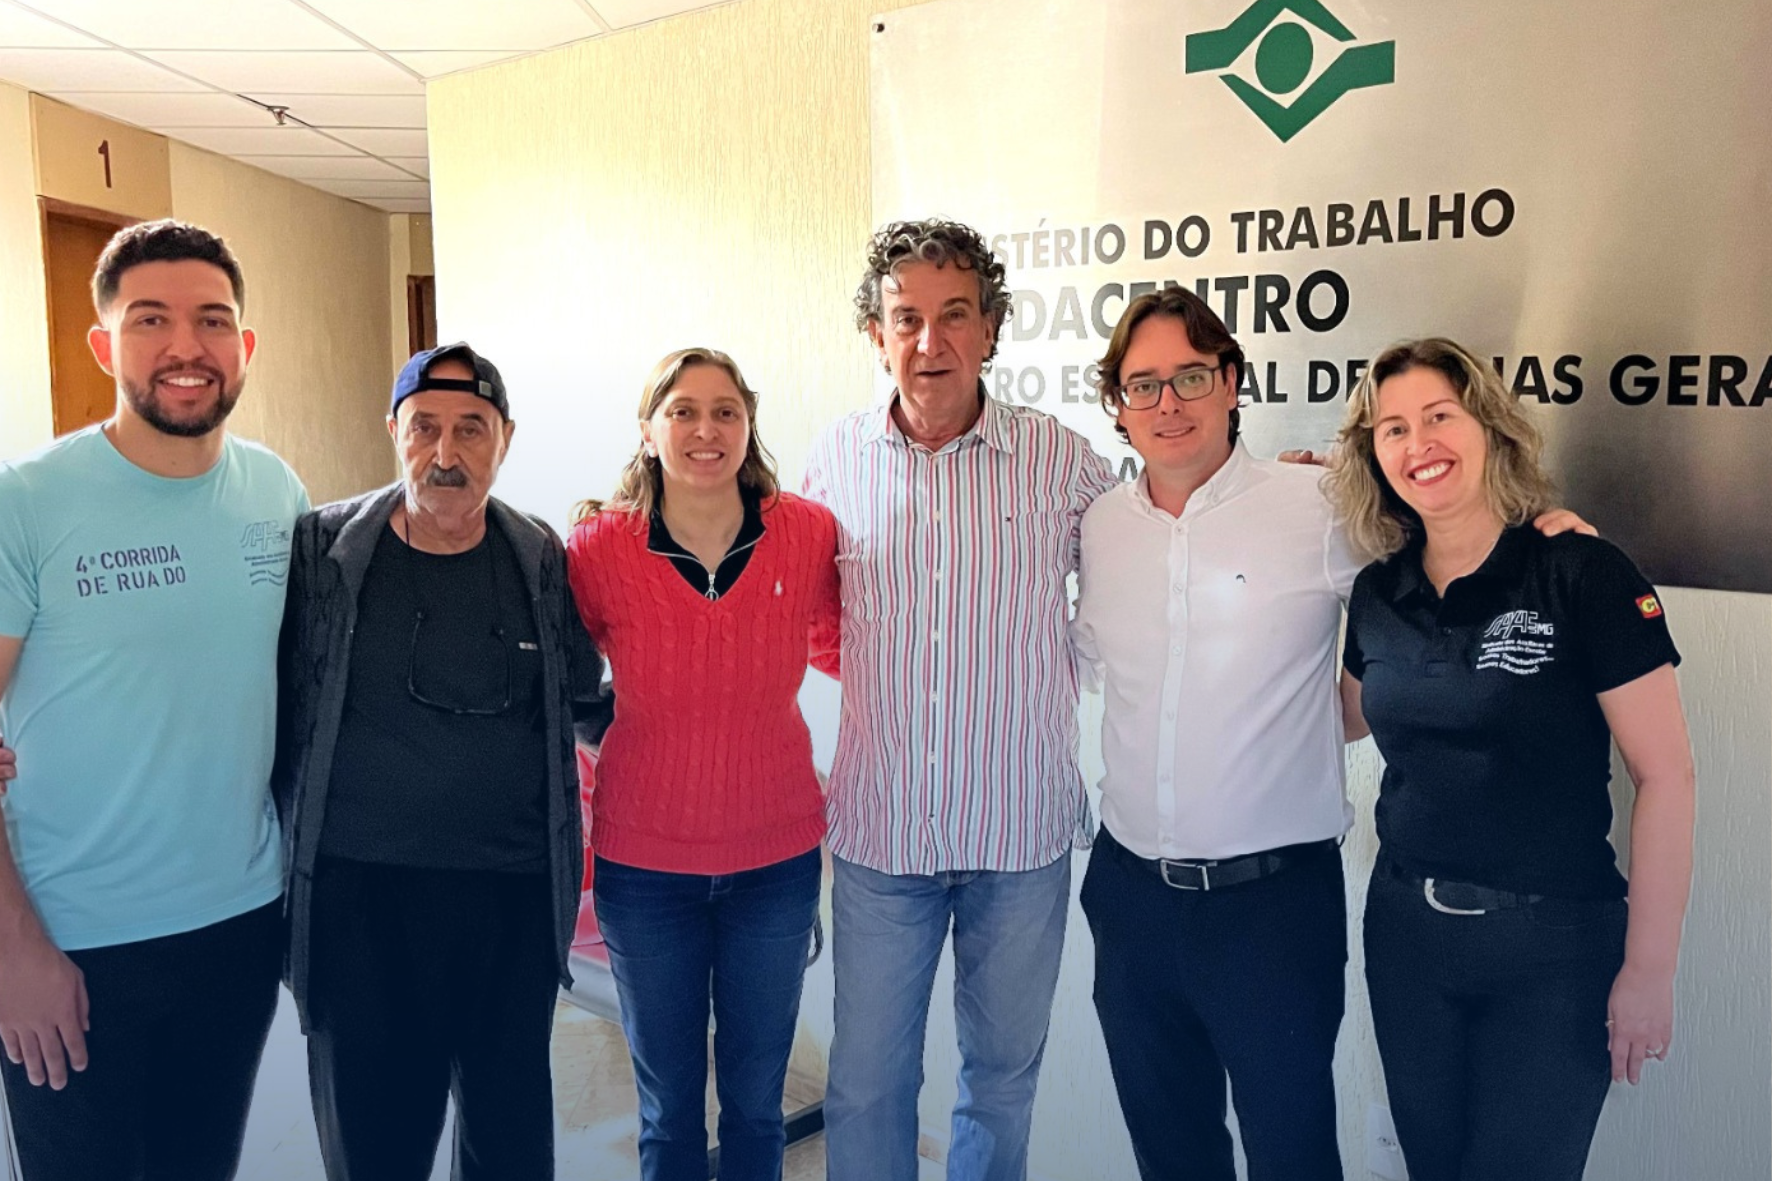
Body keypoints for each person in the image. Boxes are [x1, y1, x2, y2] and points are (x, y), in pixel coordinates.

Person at [1326, 338, 1695, 1181]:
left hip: (1553, 948)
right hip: (1408, 939)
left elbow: (1668, 777)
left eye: (1439, 416)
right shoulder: (1379, 590)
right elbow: (1340, 720)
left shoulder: (1579, 571)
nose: (1418, 444)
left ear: (1490, 426)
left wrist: (1649, 969)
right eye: (1392, 429)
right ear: (1373, 455)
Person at [805, 219, 1118, 1181]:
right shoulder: (834, 460)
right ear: (877, 334)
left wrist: (1285, 483)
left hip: (1018, 837)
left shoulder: (1058, 459)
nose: (929, 341)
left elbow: (1160, 541)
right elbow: (811, 614)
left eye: (954, 315)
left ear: (990, 329)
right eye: (906, 318)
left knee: (1000, 1081)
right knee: (866, 1084)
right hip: (882, 838)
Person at [0, 219, 307, 1180]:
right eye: (150, 319)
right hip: (72, 940)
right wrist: (13, 949)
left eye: (212, 319)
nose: (186, 346)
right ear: (104, 345)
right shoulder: (25, 499)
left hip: (239, 927)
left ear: (244, 344)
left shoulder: (277, 491)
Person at [274, 343, 608, 1181]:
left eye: (471, 428)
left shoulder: (538, 555)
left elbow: (581, 692)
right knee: (375, 1148)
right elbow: (263, 692)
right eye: (425, 427)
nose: (446, 453)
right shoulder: (324, 551)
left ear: (506, 439)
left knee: (510, 1147)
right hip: (361, 902)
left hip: (510, 901)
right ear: (394, 430)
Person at [1071, 288, 1362, 1181]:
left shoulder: (1320, 505)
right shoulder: (1099, 528)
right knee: (1171, 1155)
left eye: (1191, 376)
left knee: (1293, 1155)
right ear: (1118, 404)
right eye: (1143, 384)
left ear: (1232, 382)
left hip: (1271, 909)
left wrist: (1552, 531)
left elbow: (1439, 598)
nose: (1168, 403)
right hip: (1131, 900)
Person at [565, 347, 841, 1180]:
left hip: (775, 865)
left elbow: (841, 642)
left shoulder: (807, 533)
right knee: (669, 1110)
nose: (705, 429)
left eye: (726, 411)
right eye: (682, 410)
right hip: (645, 871)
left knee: (756, 1105)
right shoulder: (598, 548)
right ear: (648, 431)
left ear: (749, 425)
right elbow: (566, 680)